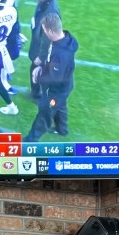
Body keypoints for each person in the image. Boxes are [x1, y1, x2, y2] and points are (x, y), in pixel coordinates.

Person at [25, 12, 78, 142]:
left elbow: (55, 77)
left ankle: (30, 141)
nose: (44, 33)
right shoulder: (65, 38)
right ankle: (62, 129)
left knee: (45, 111)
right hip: (64, 87)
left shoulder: (60, 54)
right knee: (60, 106)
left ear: (50, 31)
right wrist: (42, 66)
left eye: (44, 30)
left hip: (56, 91)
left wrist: (39, 76)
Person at [28, 0, 60, 99]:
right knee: (34, 70)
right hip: (38, 44)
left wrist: (41, 57)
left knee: (39, 72)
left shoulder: (51, 12)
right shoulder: (44, 1)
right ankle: (35, 93)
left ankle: (42, 98)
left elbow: (48, 38)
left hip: (43, 50)